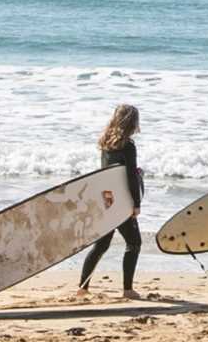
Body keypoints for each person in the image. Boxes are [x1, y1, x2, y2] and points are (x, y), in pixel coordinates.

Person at [77, 104, 143, 300]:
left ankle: (83, 288)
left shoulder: (106, 142)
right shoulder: (128, 145)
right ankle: (128, 289)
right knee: (134, 243)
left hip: (106, 198)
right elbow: (129, 176)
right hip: (121, 200)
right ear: (132, 122)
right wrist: (135, 204)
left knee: (101, 245)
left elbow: (109, 174)